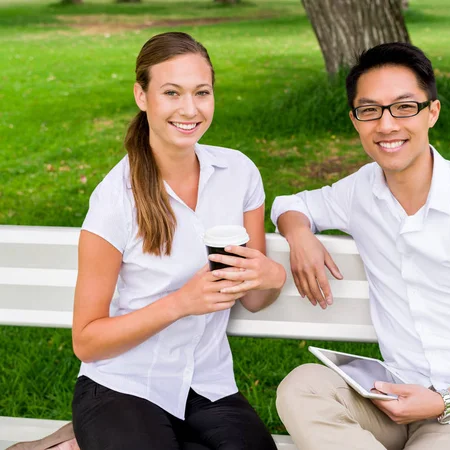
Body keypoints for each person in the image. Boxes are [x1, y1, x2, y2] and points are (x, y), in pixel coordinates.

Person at [272, 42, 450, 450]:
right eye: (370, 110)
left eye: (404, 107)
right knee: (303, 387)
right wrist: (299, 235)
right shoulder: (361, 191)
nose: (386, 125)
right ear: (356, 120)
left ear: (432, 112)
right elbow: (292, 205)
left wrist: (443, 400)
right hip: (391, 398)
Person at [12, 31, 285, 450]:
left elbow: (252, 298)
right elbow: (86, 339)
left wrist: (270, 276)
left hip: (207, 383)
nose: (189, 109)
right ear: (142, 95)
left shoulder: (240, 173)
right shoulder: (114, 198)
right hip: (123, 384)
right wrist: (180, 303)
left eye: (202, 92)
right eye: (171, 92)